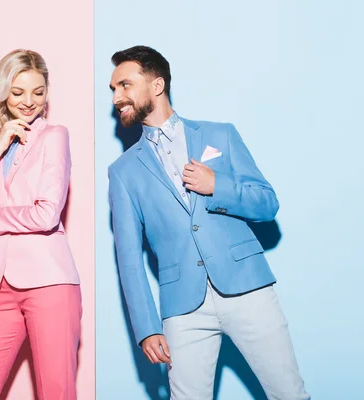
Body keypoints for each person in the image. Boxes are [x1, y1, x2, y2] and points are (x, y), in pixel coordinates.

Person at [108, 45, 310, 400]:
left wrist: (218, 186)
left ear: (156, 85)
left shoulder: (220, 135)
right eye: (112, 89)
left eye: (124, 85)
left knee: (289, 395)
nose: (116, 97)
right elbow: (128, 259)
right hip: (182, 307)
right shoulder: (122, 172)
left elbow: (267, 204)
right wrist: (146, 327)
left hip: (248, 290)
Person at [0, 49, 81, 400]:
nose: (29, 102)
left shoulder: (54, 136)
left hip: (50, 283)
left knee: (57, 392)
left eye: (38, 92)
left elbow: (46, 214)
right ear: (3, 91)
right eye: (19, 92)